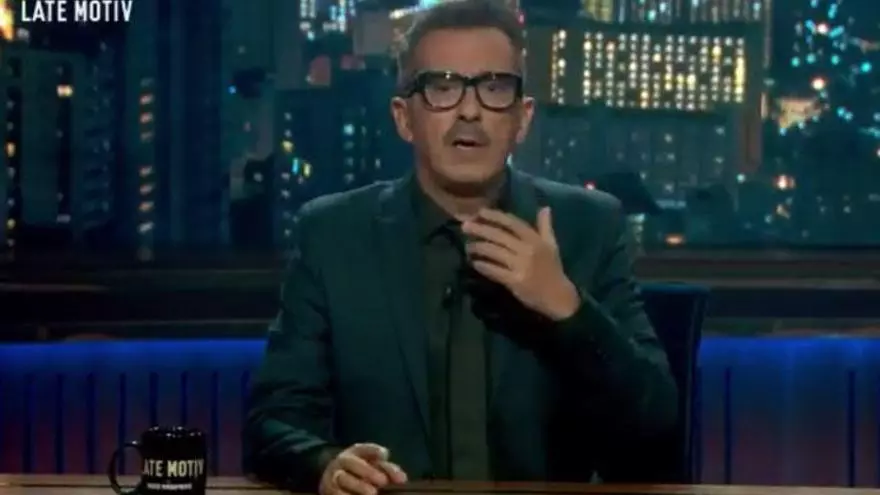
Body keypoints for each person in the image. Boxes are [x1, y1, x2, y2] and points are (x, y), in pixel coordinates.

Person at [243, 0, 678, 493]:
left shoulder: (587, 228)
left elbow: (656, 427)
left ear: (522, 119)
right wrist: (324, 464)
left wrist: (567, 308)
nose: (470, 111)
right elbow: (272, 421)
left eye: (494, 88)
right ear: (404, 118)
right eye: (443, 88)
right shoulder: (334, 235)